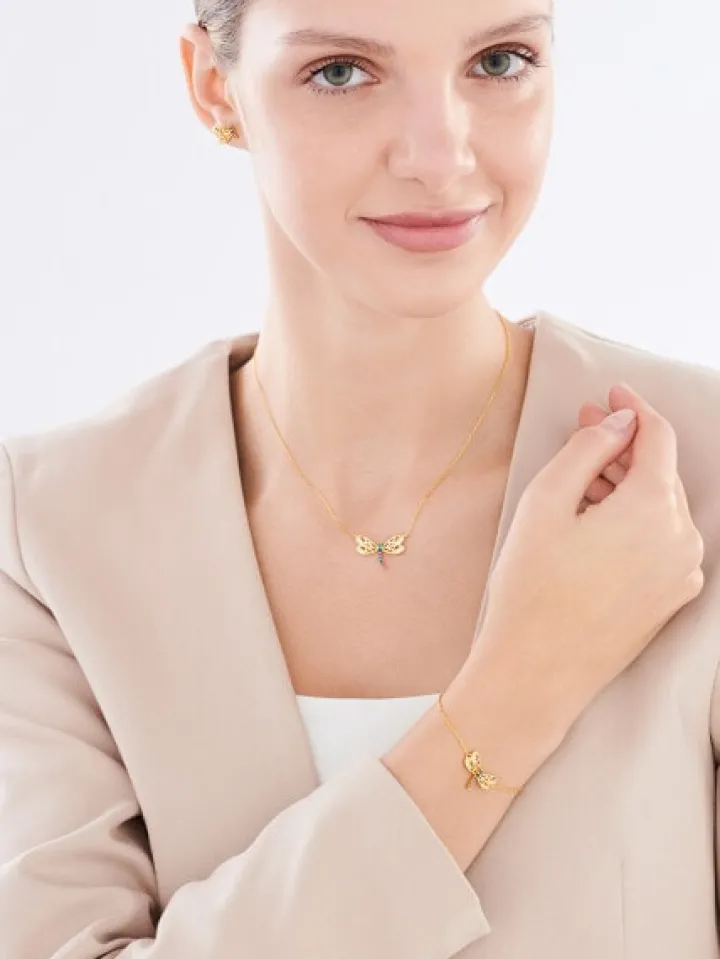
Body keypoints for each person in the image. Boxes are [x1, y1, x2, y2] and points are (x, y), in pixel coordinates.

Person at [0, 0, 717, 957]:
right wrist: (515, 690)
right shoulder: (51, 526)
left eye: (499, 61)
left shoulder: (700, 469)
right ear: (216, 89)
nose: (440, 157)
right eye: (341, 72)